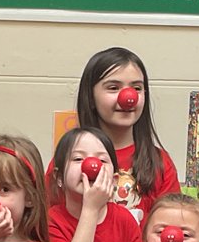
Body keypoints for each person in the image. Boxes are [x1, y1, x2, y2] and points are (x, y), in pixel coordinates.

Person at [71, 47, 181, 223]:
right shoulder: (70, 160)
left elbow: (171, 224)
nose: (128, 97)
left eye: (137, 88)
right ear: (90, 97)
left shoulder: (159, 163)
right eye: (113, 88)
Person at [47, 126, 148, 242]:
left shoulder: (125, 220)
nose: (91, 166)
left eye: (102, 160)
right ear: (59, 177)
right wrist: (91, 208)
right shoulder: (51, 220)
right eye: (78, 158)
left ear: (114, 180)